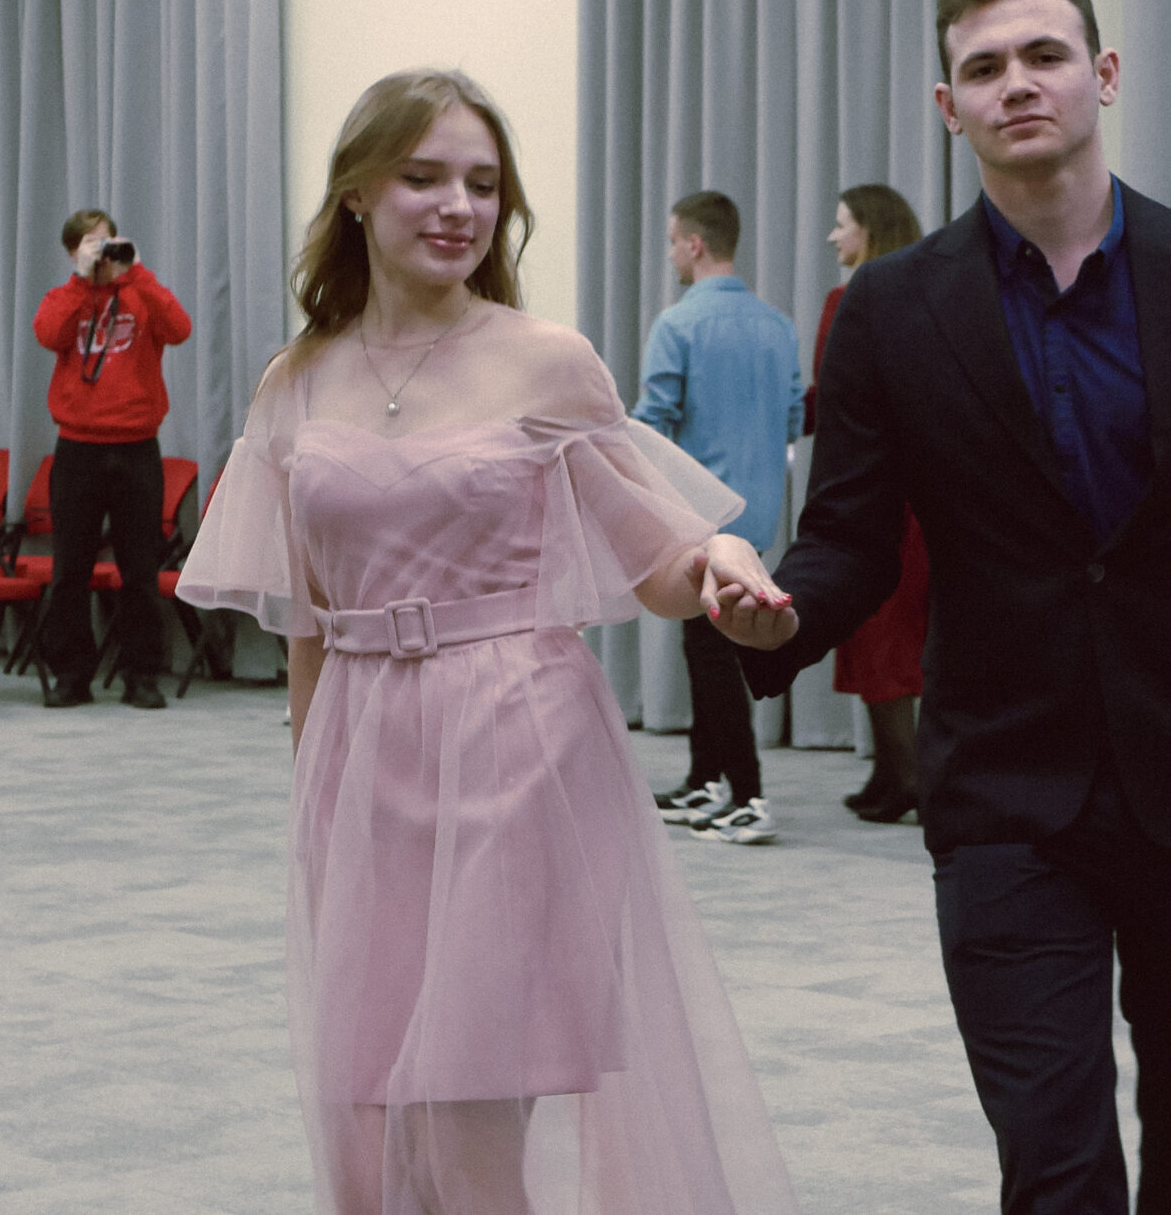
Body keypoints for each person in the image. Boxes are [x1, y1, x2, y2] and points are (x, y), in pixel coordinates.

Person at [709, 0, 1171, 1214]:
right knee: (1054, 1157)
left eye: (1043, 54)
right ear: (947, 106)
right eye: (983, 67)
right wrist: (779, 618)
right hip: (1005, 782)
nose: (1016, 83)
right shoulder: (890, 309)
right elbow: (851, 534)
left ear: (1102, 74)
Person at [176, 69, 798, 1215]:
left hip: (518, 737)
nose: (458, 206)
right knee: (376, 1100)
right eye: (423, 177)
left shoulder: (546, 359)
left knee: (467, 1096)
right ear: (357, 192)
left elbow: (655, 560)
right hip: (364, 749)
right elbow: (309, 621)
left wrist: (719, 559)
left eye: (482, 182)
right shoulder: (294, 381)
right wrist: (316, 799)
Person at [635, 190, 801, 846]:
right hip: (760, 514)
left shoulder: (677, 324)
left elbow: (649, 426)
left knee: (712, 655)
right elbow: (794, 418)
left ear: (695, 244)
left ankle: (748, 794)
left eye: (673, 242)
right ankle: (706, 778)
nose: (671, 255)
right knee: (707, 646)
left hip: (699, 518)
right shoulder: (779, 327)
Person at [33, 209, 193, 710]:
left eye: (107, 241)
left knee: (140, 568)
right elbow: (49, 334)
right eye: (90, 244)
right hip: (77, 447)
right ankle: (72, 675)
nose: (102, 252)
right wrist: (82, 282)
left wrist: (136, 271)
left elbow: (180, 328)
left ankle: (142, 675)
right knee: (70, 568)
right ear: (72, 251)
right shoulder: (62, 298)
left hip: (136, 446)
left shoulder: (141, 292)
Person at [816, 185, 929, 822]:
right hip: (924, 493)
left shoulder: (849, 301)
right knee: (897, 638)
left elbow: (835, 398)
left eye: (842, 225)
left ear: (870, 231)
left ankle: (906, 776)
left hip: (875, 493)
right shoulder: (926, 296)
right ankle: (890, 773)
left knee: (880, 636)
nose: (834, 237)